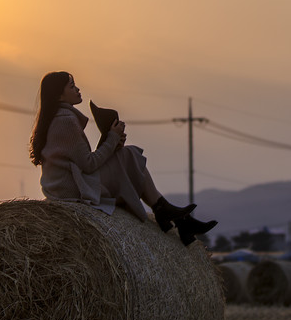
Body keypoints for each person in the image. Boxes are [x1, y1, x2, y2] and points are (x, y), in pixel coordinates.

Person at [29, 71, 217, 245]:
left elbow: (83, 162)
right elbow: (88, 164)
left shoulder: (60, 118)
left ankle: (170, 213)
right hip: (73, 190)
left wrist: (113, 143)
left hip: (73, 183)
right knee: (129, 155)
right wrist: (111, 138)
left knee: (126, 154)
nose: (78, 89)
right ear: (59, 95)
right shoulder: (65, 121)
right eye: (71, 86)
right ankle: (167, 211)